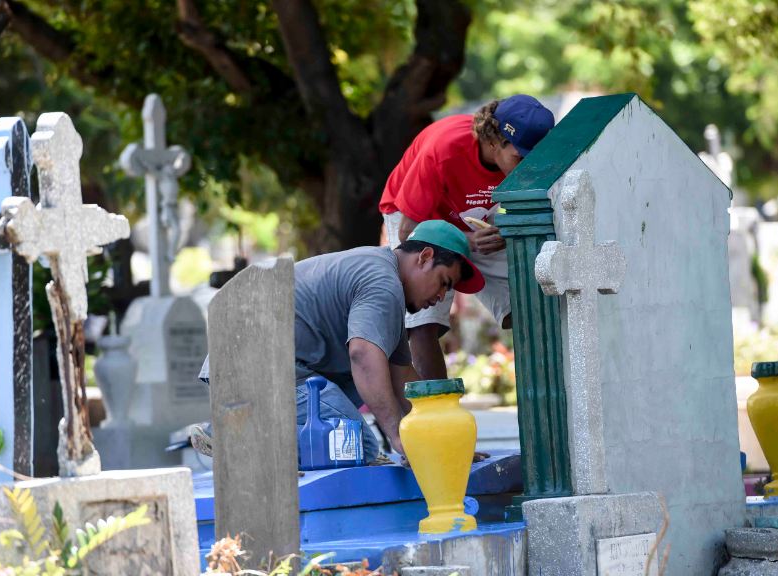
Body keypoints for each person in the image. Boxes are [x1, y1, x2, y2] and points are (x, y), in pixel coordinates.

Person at [193, 220, 485, 464]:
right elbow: (362, 356)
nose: (440, 298)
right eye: (444, 283)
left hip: (255, 363)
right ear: (424, 257)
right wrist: (398, 436)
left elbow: (402, 379)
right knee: (354, 446)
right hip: (251, 366)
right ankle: (235, 436)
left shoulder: (383, 279)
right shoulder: (383, 284)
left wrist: (441, 442)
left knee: (362, 402)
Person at [379, 94, 555, 379]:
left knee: (528, 301)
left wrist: (505, 231)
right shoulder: (444, 148)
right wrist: (466, 240)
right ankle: (436, 418)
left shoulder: (514, 162)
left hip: (471, 219)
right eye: (520, 157)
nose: (526, 167)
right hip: (417, 218)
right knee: (424, 324)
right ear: (495, 140)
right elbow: (408, 232)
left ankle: (541, 391)